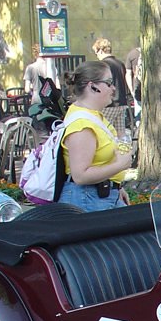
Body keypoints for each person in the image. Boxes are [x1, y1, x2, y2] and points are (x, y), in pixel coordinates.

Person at [56, 60, 133, 212]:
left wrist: (115, 187)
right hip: (88, 200)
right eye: (109, 83)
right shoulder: (82, 124)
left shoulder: (93, 115)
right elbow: (80, 176)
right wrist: (120, 165)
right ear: (93, 87)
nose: (113, 88)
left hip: (100, 196)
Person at [92, 38, 132, 132]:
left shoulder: (102, 65)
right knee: (120, 133)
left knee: (103, 131)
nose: (97, 56)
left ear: (101, 50)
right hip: (122, 102)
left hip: (109, 104)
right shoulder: (120, 63)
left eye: (96, 52)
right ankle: (122, 147)